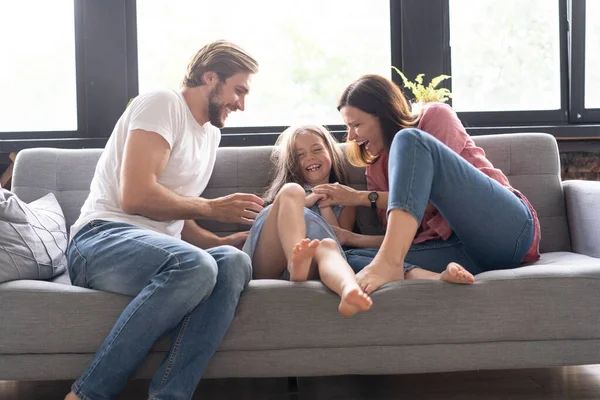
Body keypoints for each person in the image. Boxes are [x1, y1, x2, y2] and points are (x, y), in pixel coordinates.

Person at [64, 40, 264, 400]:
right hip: (99, 239)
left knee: (233, 262)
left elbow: (176, 209)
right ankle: (86, 395)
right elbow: (136, 196)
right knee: (195, 266)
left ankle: (169, 396)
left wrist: (219, 242)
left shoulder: (211, 134)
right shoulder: (163, 104)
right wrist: (213, 208)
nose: (241, 104)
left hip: (161, 249)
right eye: (239, 90)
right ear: (210, 77)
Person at [313, 74, 540, 294]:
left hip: (505, 230)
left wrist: (359, 197)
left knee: (407, 139)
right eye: (348, 128)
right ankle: (431, 275)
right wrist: (350, 238)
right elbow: (403, 236)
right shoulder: (374, 170)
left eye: (356, 125)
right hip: (462, 252)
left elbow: (432, 201)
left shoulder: (433, 118)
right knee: (345, 259)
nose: (351, 136)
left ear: (382, 115)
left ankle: (391, 263)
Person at [242, 124, 373, 317]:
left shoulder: (345, 198)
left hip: (311, 266)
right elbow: (267, 232)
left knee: (328, 246)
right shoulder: (288, 195)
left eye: (317, 149)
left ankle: (348, 289)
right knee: (292, 191)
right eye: (300, 155)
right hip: (270, 264)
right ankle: (295, 262)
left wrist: (325, 204)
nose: (310, 157)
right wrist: (305, 200)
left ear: (331, 152)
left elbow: (339, 238)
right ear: (293, 163)